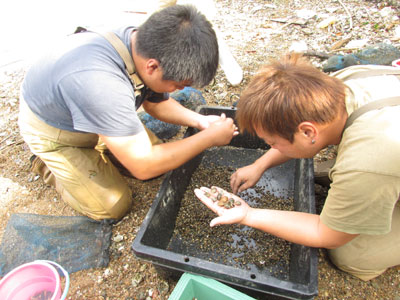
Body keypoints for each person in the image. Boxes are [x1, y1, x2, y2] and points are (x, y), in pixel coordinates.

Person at [19, 5, 238, 221]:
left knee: (164, 158)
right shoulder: (102, 84)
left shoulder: (147, 43)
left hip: (95, 114)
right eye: (179, 85)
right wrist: (208, 139)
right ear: (152, 67)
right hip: (58, 133)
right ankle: (46, 164)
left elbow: (156, 104)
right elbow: (144, 166)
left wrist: (200, 121)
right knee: (113, 206)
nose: (180, 90)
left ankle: (108, 146)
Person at [194, 53, 400, 281]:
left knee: (349, 255)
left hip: (380, 160)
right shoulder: (341, 85)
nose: (270, 147)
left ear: (308, 132)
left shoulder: (366, 162)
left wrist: (248, 214)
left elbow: (327, 233)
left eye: (272, 143)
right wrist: (259, 164)